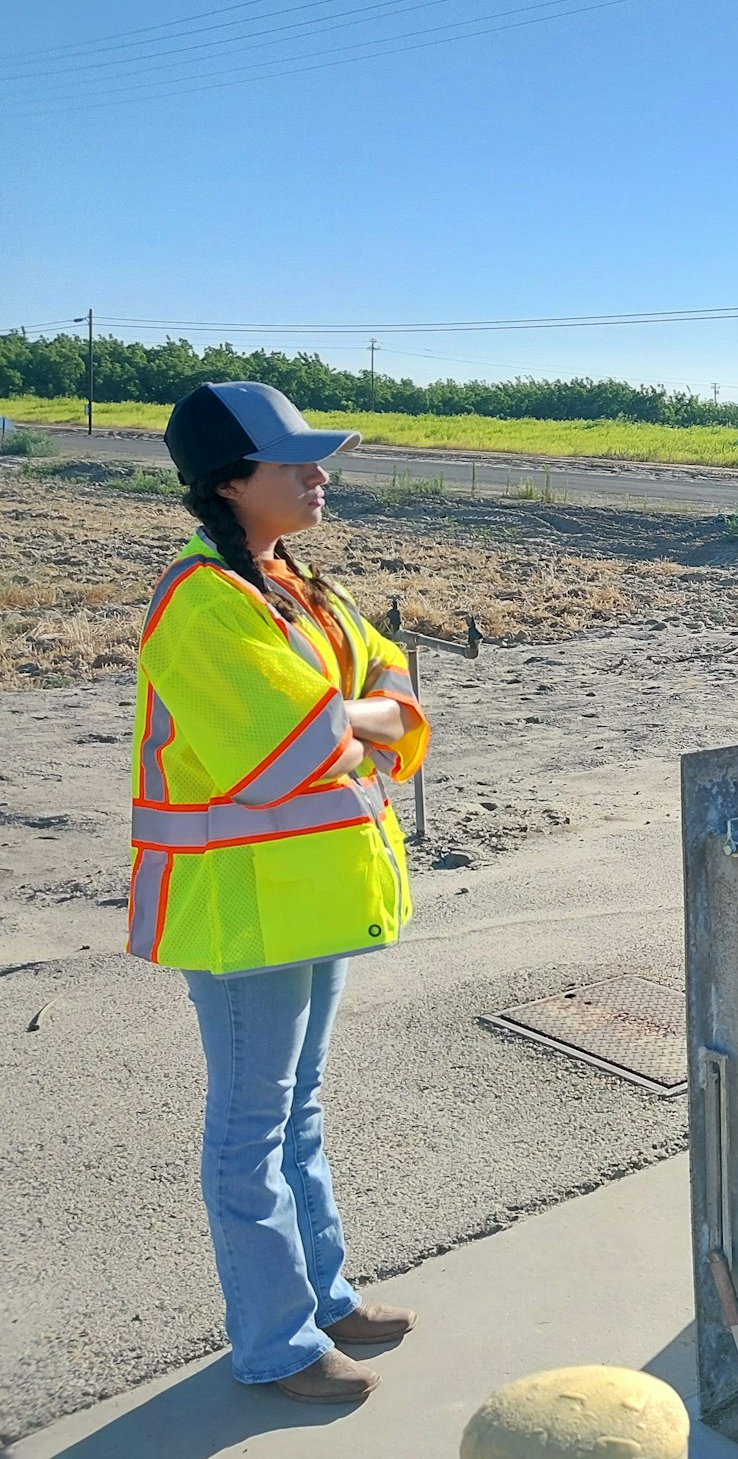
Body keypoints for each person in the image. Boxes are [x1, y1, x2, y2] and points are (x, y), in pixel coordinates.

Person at [132, 381, 431, 1403]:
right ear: (227, 481)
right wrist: (358, 722)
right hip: (243, 909)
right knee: (252, 1126)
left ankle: (324, 1293)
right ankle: (278, 1343)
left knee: (297, 1112)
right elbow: (295, 745)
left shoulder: (291, 582)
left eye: (318, 457)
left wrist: (357, 719)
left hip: (313, 896)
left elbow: (398, 697)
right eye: (291, 460)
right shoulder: (200, 601)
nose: (318, 475)